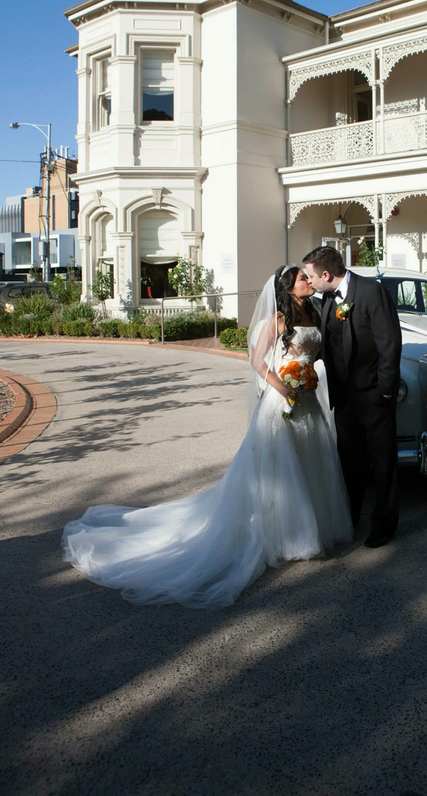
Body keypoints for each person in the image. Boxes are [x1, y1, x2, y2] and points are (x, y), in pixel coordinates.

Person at [61, 266, 353, 609]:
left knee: (309, 463)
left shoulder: (314, 310)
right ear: (288, 288)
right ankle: (285, 536)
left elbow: (314, 352)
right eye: (302, 278)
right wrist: (284, 388)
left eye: (308, 277)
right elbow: (259, 362)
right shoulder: (277, 319)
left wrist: (306, 379)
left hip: (306, 400)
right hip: (283, 400)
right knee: (277, 470)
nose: (308, 280)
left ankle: (309, 527)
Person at [303, 246, 402, 549]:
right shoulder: (326, 298)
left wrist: (384, 391)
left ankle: (384, 525)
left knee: (382, 463)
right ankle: (350, 518)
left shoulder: (372, 293)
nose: (309, 282)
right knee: (349, 461)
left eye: (310, 276)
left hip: (373, 395)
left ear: (326, 274)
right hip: (343, 398)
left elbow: (390, 344)